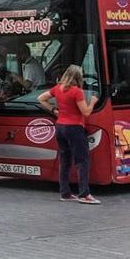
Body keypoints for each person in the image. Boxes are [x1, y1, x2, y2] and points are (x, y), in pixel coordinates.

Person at [38, 63, 98, 204]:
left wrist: (53, 110)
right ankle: (84, 194)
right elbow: (86, 112)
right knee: (82, 161)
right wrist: (93, 102)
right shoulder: (77, 91)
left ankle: (65, 193)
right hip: (74, 128)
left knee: (64, 161)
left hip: (60, 127)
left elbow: (40, 98)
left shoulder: (58, 88)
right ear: (78, 77)